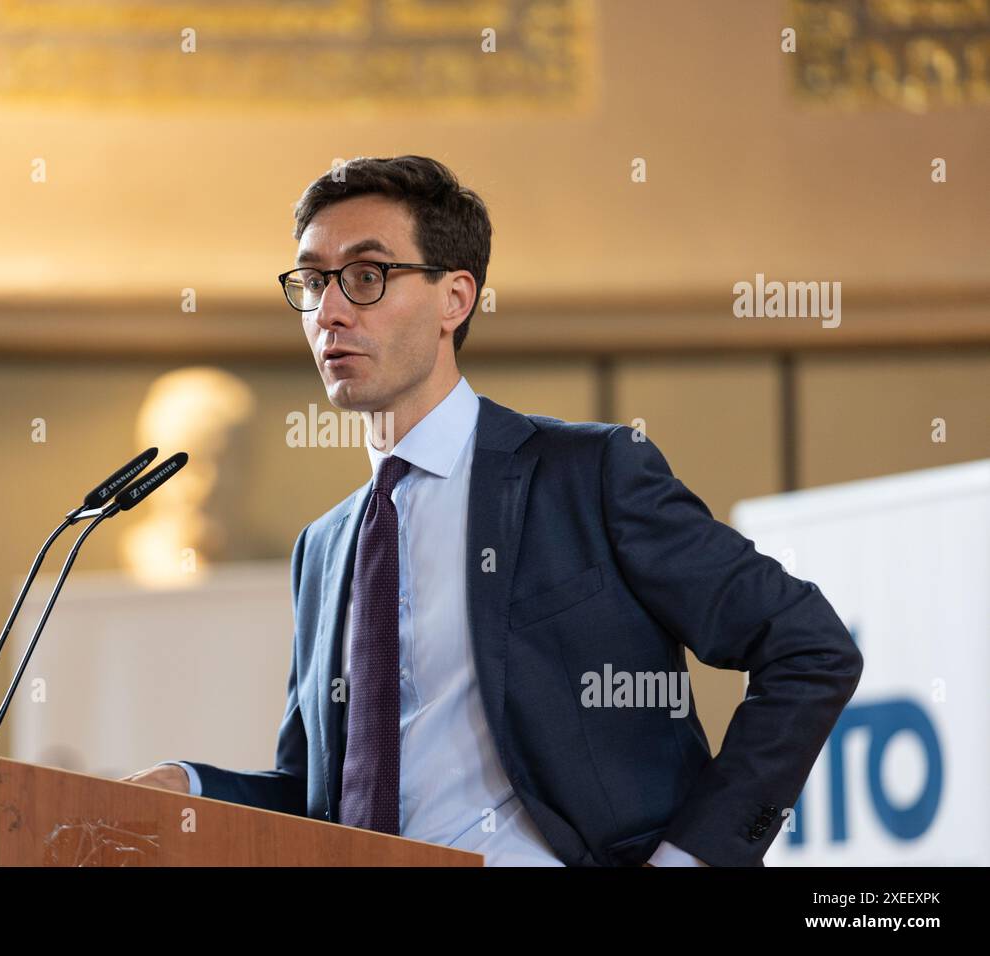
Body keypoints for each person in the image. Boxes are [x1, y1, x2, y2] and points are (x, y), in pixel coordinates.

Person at [123, 155, 863, 866]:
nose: (330, 311)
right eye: (313, 281)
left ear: (456, 298)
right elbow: (321, 800)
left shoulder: (590, 475)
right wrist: (186, 787)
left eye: (367, 277)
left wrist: (692, 859)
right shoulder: (323, 547)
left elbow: (809, 646)